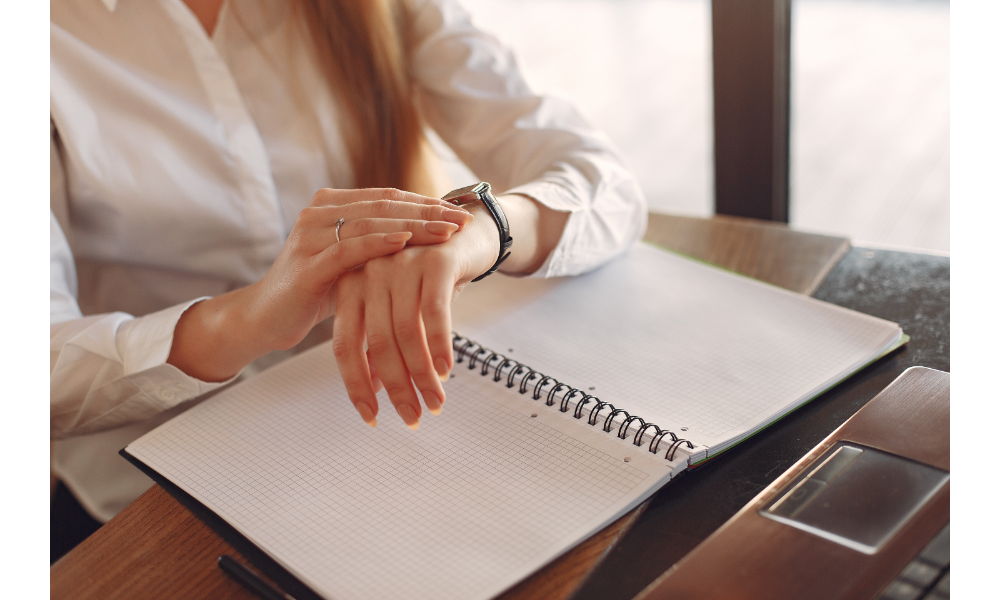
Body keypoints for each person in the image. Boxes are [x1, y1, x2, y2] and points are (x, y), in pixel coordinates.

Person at [50, 0, 647, 547]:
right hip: (150, 499)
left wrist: (478, 231)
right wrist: (248, 318)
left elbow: (605, 184)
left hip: (394, 441)